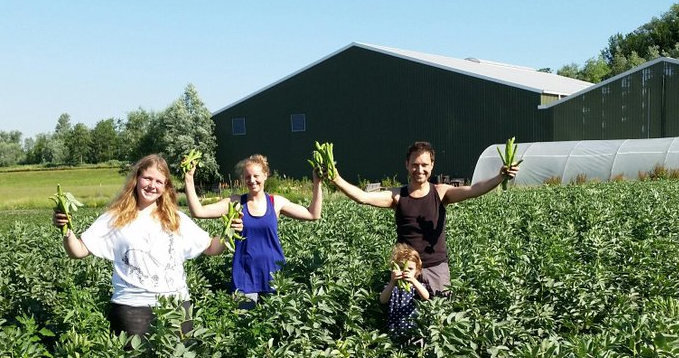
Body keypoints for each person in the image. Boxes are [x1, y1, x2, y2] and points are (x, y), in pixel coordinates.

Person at [52, 154, 236, 358]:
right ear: (137, 179)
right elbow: (78, 251)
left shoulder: (175, 218)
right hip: (132, 308)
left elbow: (210, 248)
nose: (152, 185)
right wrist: (67, 230)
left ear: (166, 186)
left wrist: (231, 231)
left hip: (176, 308)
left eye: (159, 181)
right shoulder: (115, 218)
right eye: (148, 178)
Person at [328, 141, 517, 295]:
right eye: (415, 165)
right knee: (405, 320)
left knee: (439, 318)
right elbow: (363, 197)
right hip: (406, 269)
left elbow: (473, 190)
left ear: (432, 165)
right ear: (407, 165)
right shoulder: (397, 195)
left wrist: (499, 177)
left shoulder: (441, 192)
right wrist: (337, 180)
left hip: (436, 267)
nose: (420, 170)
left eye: (424, 165)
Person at [184, 153, 322, 307]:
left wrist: (317, 183)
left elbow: (313, 214)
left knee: (276, 323)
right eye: (247, 177)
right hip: (244, 275)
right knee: (244, 325)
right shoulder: (235, 202)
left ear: (265, 175)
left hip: (274, 273)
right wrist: (189, 179)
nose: (252, 180)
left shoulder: (275, 202)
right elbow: (199, 212)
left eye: (256, 176)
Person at [380, 243, 430, 341]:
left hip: (414, 331)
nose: (405, 271)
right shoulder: (393, 287)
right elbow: (383, 300)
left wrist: (413, 281)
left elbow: (426, 296)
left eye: (410, 269)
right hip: (394, 329)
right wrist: (392, 282)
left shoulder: (417, 287)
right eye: (402, 268)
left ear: (417, 271)